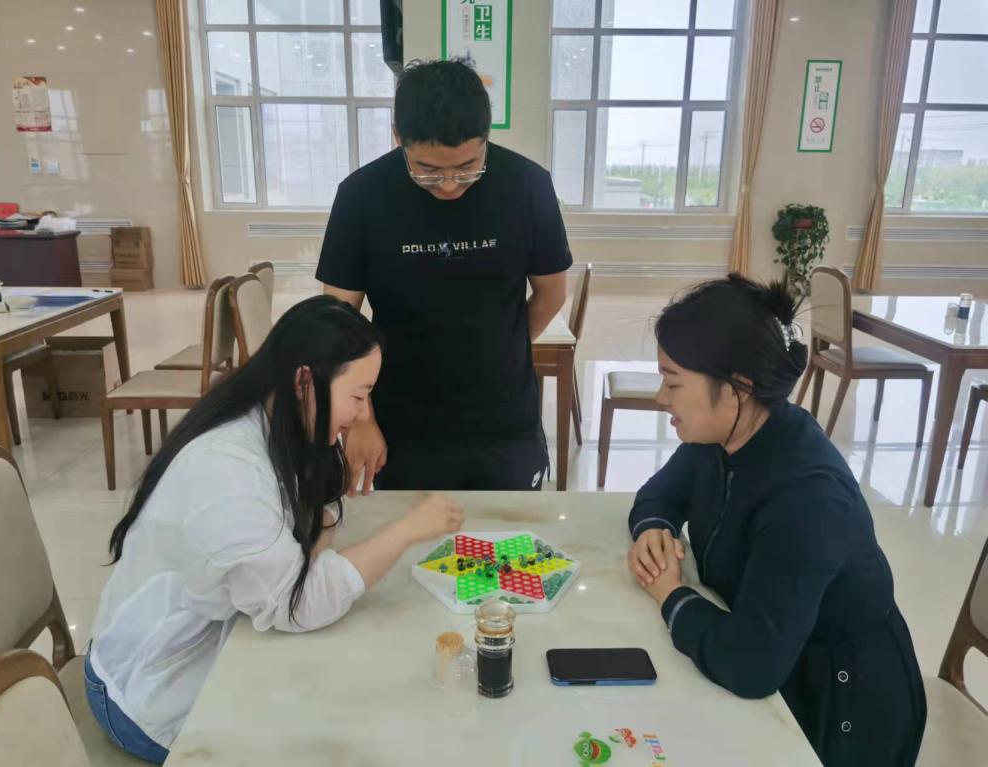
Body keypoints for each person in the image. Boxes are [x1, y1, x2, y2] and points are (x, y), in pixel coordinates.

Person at [85, 296, 464, 762]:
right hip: (147, 695)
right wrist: (406, 530)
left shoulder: (273, 419)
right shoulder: (226, 471)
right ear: (305, 381)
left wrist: (324, 495)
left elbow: (307, 538)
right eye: (359, 396)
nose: (364, 415)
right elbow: (297, 603)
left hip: (207, 642)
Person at [626, 275, 926, 767]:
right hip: (768, 654)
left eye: (673, 382)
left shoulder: (807, 497)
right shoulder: (724, 435)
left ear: (737, 389)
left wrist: (670, 593)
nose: (662, 398)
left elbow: (752, 665)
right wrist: (654, 530)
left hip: (838, 702)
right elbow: (658, 495)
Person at [317, 58, 572, 493]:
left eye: (468, 167)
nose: (450, 184)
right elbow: (338, 321)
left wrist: (500, 347)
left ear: (487, 137)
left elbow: (551, 294)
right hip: (401, 419)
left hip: (504, 421)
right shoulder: (361, 196)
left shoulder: (528, 185)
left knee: (506, 532)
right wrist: (361, 419)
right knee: (411, 533)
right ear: (398, 137)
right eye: (428, 170)